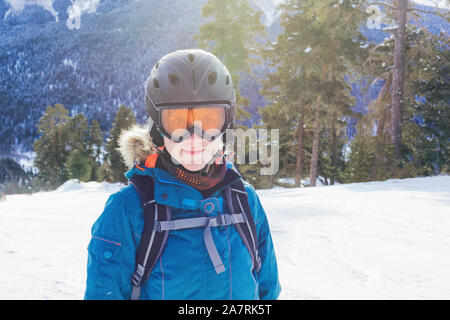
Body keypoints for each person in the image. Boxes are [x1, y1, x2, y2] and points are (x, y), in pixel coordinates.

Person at [84, 49, 281, 300]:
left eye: (209, 120)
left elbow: (267, 292)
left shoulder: (245, 200)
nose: (194, 137)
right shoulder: (129, 210)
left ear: (226, 124)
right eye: (177, 121)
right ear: (158, 128)